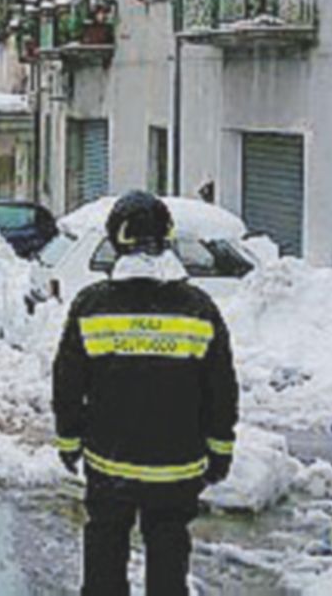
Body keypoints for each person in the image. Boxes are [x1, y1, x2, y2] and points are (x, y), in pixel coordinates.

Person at [52, 190, 238, 595]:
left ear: (116, 240)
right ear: (167, 237)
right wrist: (220, 449)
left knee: (104, 556)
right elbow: (221, 388)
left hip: (109, 464)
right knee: (169, 561)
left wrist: (69, 441)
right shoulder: (198, 308)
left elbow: (68, 382)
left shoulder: (91, 305)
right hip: (178, 467)